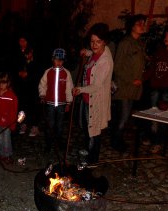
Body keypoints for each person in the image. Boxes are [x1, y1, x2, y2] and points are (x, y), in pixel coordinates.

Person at [72, 23, 114, 164]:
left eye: (98, 42)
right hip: (87, 98)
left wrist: (80, 89)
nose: (94, 45)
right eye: (92, 41)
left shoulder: (105, 62)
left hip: (95, 100)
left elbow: (96, 86)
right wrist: (88, 52)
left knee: (94, 131)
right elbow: (94, 53)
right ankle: (88, 149)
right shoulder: (100, 51)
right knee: (85, 125)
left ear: (105, 42)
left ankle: (92, 160)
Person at [111, 14, 147, 152]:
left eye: (143, 23)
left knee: (125, 117)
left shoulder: (139, 44)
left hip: (134, 89)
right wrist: (131, 80)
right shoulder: (125, 43)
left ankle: (119, 140)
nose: (142, 26)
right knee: (122, 117)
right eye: (139, 24)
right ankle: (116, 142)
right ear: (132, 26)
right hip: (124, 87)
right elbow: (117, 66)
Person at [38, 48, 74, 153]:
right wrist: (42, 95)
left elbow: (69, 88)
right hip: (49, 103)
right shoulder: (48, 72)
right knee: (50, 124)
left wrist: (69, 102)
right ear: (52, 59)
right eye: (56, 59)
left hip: (62, 105)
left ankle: (58, 142)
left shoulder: (66, 73)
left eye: (61, 60)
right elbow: (42, 84)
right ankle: (48, 144)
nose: (59, 62)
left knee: (60, 125)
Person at [12, 33, 41, 137]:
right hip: (20, 84)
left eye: (24, 41)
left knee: (33, 104)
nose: (22, 43)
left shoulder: (34, 52)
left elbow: (38, 68)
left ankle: (34, 126)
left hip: (32, 83)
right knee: (22, 104)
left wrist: (28, 73)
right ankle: (22, 123)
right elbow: (12, 65)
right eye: (20, 41)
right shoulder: (16, 52)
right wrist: (18, 73)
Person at [0, 72, 18, 162]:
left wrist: (12, 125)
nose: (1, 85)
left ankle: (8, 155)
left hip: (7, 123)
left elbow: (14, 111)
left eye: (3, 83)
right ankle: (1, 153)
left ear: (8, 83)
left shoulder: (12, 96)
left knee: (6, 139)